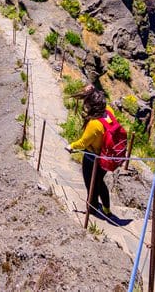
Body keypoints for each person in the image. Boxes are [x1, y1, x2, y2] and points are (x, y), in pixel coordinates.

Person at [64, 85, 114, 218]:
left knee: (90, 183)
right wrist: (92, 91)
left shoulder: (94, 124)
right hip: (106, 156)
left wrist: (71, 146)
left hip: (93, 158)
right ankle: (107, 210)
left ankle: (91, 210)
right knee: (100, 182)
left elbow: (83, 142)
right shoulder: (109, 112)